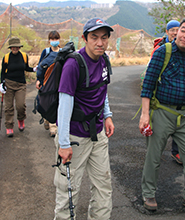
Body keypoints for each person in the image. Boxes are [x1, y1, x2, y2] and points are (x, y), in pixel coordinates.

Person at [139, 17, 185, 214]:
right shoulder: (163, 52)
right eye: (183, 30)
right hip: (162, 112)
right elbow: (148, 83)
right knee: (154, 156)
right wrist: (145, 115)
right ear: (177, 32)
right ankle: (149, 193)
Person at [53, 17, 115, 219]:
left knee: (103, 186)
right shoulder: (74, 65)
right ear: (84, 39)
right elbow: (64, 106)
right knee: (68, 192)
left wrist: (107, 115)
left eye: (104, 38)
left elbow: (102, 90)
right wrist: (63, 143)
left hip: (97, 133)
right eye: (94, 37)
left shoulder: (104, 59)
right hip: (74, 137)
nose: (100, 42)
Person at [151, 20, 183, 165]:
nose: (175, 33)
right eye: (172, 30)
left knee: (178, 123)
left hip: (177, 93)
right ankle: (155, 152)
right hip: (161, 94)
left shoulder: (183, 48)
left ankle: (177, 152)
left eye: (178, 29)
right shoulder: (160, 49)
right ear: (167, 31)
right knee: (160, 125)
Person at [0, 37, 36, 137]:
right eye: (13, 47)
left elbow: (26, 68)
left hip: (21, 84)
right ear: (10, 48)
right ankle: (9, 127)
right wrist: (1, 83)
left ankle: (21, 120)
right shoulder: (6, 58)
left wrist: (34, 69)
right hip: (9, 84)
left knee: (20, 106)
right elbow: (3, 72)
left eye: (17, 47)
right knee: (8, 107)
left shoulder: (24, 56)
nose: (15, 48)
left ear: (19, 47)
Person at [36, 31, 61, 137]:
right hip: (46, 81)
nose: (54, 41)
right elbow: (40, 67)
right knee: (46, 102)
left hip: (58, 82)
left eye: (56, 39)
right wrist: (39, 80)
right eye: (52, 39)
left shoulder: (63, 52)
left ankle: (53, 128)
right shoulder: (46, 52)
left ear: (59, 39)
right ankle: (46, 119)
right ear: (49, 40)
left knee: (56, 103)